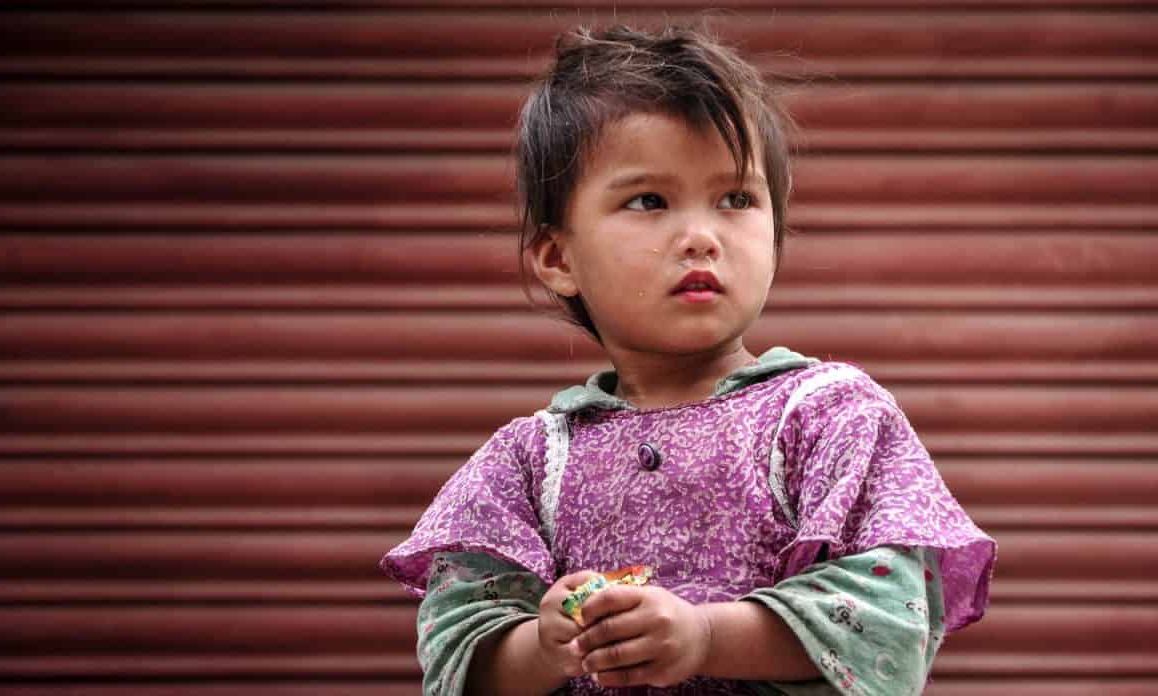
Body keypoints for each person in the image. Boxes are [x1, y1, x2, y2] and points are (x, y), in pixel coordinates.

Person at [380, 23, 996, 696]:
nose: (702, 236)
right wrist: (545, 643)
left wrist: (704, 636)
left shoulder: (831, 415)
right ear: (558, 259)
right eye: (649, 201)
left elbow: (887, 623)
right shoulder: (527, 460)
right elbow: (455, 651)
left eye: (736, 199)